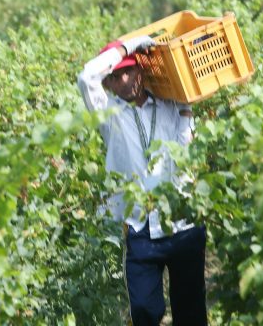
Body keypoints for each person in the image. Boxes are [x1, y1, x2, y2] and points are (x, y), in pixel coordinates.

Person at [77, 36, 207, 326]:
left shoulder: (171, 104)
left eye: (128, 71)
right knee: (145, 311)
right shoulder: (109, 116)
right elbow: (86, 77)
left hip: (182, 221)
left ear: (141, 71)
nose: (124, 80)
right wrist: (127, 46)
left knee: (191, 313)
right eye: (115, 76)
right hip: (141, 227)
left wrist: (187, 112)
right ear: (108, 84)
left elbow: (185, 153)